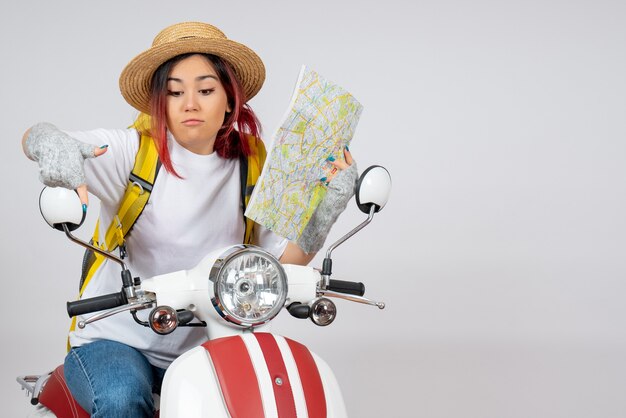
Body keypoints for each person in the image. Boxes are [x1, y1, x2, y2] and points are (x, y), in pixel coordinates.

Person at [21, 21, 357, 417]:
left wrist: (327, 210)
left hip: (210, 342)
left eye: (205, 90)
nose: (189, 104)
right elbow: (38, 136)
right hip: (115, 341)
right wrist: (50, 144)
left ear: (230, 100)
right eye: (175, 92)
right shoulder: (133, 152)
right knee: (122, 400)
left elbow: (280, 266)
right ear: (159, 103)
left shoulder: (251, 162)